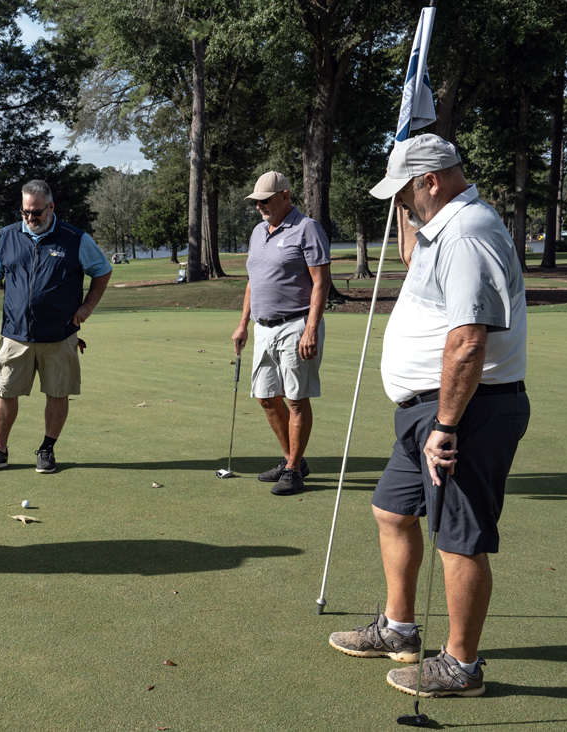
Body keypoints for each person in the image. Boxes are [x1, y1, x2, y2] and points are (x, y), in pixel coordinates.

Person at [328, 134, 529, 698]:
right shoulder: (442, 229)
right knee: (392, 510)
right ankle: (399, 629)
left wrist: (444, 425)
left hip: (466, 410)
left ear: (431, 181)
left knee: (459, 538)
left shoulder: (468, 233)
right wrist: (403, 210)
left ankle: (461, 666)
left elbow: (467, 341)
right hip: (429, 410)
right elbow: (414, 258)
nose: (399, 205)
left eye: (404, 194)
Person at [0, 180, 112, 474]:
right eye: (25, 212)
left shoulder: (74, 238)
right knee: (5, 391)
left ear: (51, 207)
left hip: (59, 334)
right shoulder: (6, 237)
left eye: (36, 212)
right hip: (15, 334)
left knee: (57, 393)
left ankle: (47, 449)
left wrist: (87, 307)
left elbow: (102, 271)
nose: (30, 218)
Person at [231, 171, 331, 496]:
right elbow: (253, 281)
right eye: (256, 201)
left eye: (266, 200)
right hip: (263, 327)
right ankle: (294, 459)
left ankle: (292, 470)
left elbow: (321, 282)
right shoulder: (258, 232)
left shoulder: (307, 229)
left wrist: (311, 329)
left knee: (296, 400)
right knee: (264, 396)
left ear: (285, 196)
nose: (259, 206)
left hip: (297, 324)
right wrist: (243, 323)